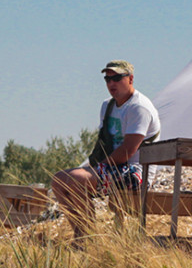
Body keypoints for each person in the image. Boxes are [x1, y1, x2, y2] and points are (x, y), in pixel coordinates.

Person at [51, 60, 160, 240]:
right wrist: (95, 166)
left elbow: (128, 150)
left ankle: (88, 238)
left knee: (76, 179)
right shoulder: (107, 106)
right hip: (113, 166)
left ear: (130, 79)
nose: (111, 83)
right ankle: (83, 236)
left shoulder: (139, 107)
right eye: (107, 79)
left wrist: (96, 168)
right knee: (59, 180)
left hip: (136, 171)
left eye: (117, 78)